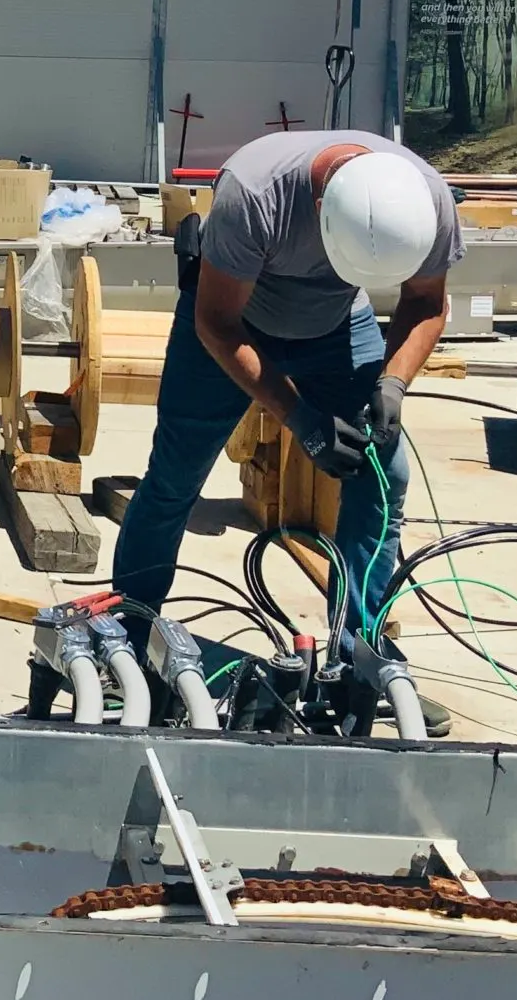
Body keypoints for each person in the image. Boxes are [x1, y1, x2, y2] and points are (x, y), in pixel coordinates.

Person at [112, 130, 461, 730]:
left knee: (382, 476)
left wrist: (393, 382)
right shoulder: (256, 193)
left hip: (337, 326)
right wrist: (300, 418)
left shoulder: (427, 200)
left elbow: (426, 304)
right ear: (322, 209)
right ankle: (127, 640)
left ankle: (359, 659)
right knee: (175, 475)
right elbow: (217, 323)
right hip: (232, 326)